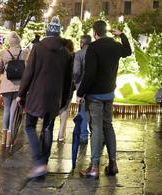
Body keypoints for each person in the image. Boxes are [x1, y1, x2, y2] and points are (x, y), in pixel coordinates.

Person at [17, 17, 73, 180]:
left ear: (47, 32)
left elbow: (28, 73)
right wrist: (63, 100)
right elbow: (68, 80)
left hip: (37, 95)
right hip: (54, 97)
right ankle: (44, 163)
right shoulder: (66, 53)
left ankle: (39, 162)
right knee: (48, 128)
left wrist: (21, 94)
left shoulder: (38, 48)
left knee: (29, 126)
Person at [77, 20, 131, 178]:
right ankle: (113, 164)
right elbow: (128, 51)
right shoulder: (115, 45)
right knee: (108, 125)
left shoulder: (93, 48)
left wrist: (80, 93)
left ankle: (94, 167)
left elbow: (89, 74)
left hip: (95, 96)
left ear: (95, 33)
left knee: (96, 128)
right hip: (109, 93)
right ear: (106, 31)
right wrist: (122, 35)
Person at [0, 32, 27, 147]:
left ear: (9, 42)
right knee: (14, 111)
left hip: (6, 85)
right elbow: (27, 69)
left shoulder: (4, 53)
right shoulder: (24, 53)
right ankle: (10, 139)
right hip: (19, 86)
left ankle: (4, 139)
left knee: (7, 110)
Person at [67, 34, 91, 144]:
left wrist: (76, 82)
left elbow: (76, 72)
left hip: (82, 86)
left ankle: (83, 135)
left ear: (82, 43)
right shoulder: (95, 52)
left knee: (83, 111)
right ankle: (97, 135)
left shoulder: (79, 54)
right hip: (95, 87)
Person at [55, 37, 76, 142]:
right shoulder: (73, 57)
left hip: (57, 85)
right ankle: (61, 134)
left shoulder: (58, 56)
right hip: (69, 87)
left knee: (54, 106)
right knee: (65, 109)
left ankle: (47, 129)